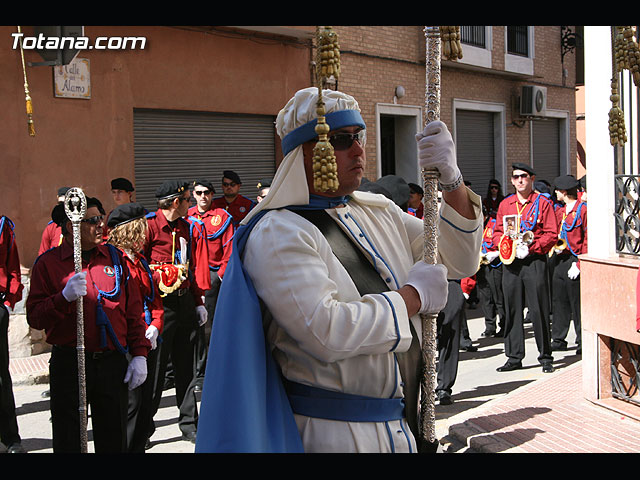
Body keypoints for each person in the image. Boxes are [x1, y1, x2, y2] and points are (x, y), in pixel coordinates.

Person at [196, 86, 482, 453]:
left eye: (359, 137)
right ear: (306, 151)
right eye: (343, 140)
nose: (359, 150)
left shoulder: (377, 210)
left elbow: (458, 257)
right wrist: (412, 298)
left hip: (401, 426)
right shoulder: (278, 231)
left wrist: (451, 179)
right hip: (333, 434)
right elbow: (326, 330)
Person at [26, 197, 150, 453]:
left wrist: (140, 354)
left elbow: (133, 311)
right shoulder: (48, 264)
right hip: (70, 362)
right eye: (92, 221)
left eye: (101, 218)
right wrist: (62, 298)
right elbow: (35, 317)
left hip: (110, 362)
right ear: (71, 227)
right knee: (69, 438)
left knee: (113, 437)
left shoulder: (115, 258)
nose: (100, 225)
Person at [143, 180, 210, 445]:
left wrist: (198, 302)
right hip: (161, 306)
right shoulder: (149, 227)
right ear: (174, 203)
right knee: (156, 369)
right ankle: (145, 427)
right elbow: (139, 268)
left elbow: (189, 267)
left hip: (183, 303)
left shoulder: (186, 228)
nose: (189, 204)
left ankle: (189, 423)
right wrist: (159, 272)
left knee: (186, 368)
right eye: (185, 200)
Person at [106, 202, 165, 452]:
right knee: (129, 406)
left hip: (148, 337)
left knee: (145, 405)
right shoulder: (113, 259)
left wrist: (156, 324)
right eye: (142, 227)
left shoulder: (139, 260)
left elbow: (155, 299)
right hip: (127, 340)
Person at [492, 163, 558, 373]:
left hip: (533, 261)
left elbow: (551, 233)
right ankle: (513, 356)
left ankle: (545, 356)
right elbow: (496, 232)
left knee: (538, 309)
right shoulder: (506, 204)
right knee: (512, 309)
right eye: (516, 177)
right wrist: (504, 244)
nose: (519, 180)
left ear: (531, 179)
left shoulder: (542, 203)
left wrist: (533, 248)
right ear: (511, 181)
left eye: (524, 177)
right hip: (511, 263)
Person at [187, 179, 234, 391]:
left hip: (213, 277)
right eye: (199, 192)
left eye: (207, 192)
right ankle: (195, 373)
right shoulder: (186, 217)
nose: (203, 196)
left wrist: (221, 276)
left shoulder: (222, 217)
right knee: (192, 327)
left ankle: (208, 372)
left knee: (210, 327)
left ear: (212, 194)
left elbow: (229, 248)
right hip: (191, 276)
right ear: (193, 195)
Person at [550, 175, 587, 355]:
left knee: (577, 303)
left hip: (575, 259)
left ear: (564, 192)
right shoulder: (560, 211)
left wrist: (580, 264)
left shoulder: (583, 210)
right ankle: (558, 338)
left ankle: (582, 340)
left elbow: (587, 240)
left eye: (557, 190)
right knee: (559, 300)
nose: (555, 193)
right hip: (560, 259)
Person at [0, 215, 24, 453]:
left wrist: (8, 300)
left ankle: (10, 438)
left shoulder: (2, 225)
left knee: (0, 377)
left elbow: (12, 263)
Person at [477, 208, 505, 337]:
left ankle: (504, 325)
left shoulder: (494, 224)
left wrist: (495, 253)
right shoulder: (475, 226)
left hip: (495, 264)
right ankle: (490, 326)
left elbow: (504, 242)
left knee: (498, 296)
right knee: (486, 297)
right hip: (481, 265)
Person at [38, 187, 70, 255]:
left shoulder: (81, 227)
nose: (63, 207)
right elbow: (42, 254)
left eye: (66, 204)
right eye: (61, 204)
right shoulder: (51, 228)